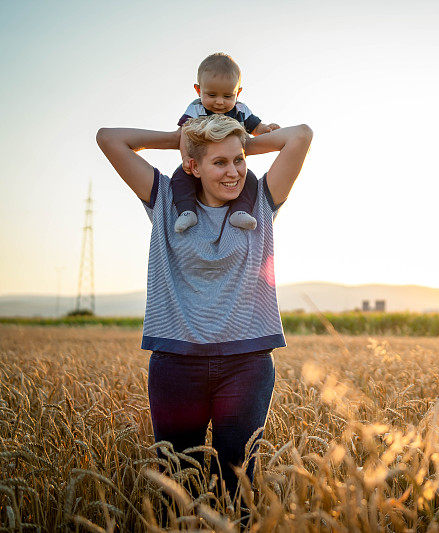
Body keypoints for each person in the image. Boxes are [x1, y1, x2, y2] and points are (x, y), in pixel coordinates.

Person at [96, 114, 312, 520]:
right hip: (176, 365)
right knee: (176, 487)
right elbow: (108, 138)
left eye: (239, 160)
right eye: (219, 163)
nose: (233, 172)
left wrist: (240, 140)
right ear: (192, 166)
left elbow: (301, 135)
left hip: (246, 366)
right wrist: (180, 140)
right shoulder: (163, 199)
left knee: (239, 485)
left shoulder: (262, 201)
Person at [172, 53, 280, 233]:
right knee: (180, 178)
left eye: (228, 96)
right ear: (199, 90)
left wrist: (266, 129)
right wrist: (185, 157)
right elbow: (184, 133)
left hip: (225, 164)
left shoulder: (240, 110)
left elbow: (256, 127)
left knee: (250, 180)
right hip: (199, 161)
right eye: (212, 95)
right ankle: (186, 211)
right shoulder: (196, 108)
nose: (220, 102)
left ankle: (240, 211)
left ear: (238, 93)